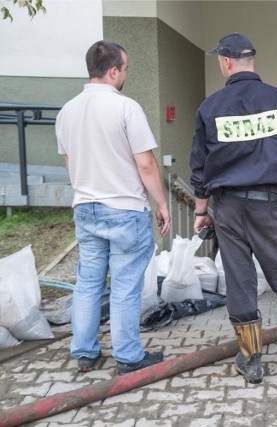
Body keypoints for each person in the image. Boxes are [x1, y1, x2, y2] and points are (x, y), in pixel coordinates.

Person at [189, 32, 277, 384]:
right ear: (251, 60)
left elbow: (200, 168)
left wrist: (201, 212)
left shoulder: (210, 107)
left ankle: (251, 360)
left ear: (226, 62)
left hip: (229, 210)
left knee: (240, 281)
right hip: (271, 207)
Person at [56, 40, 171, 375]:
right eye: (126, 68)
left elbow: (69, 163)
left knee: (88, 283)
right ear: (113, 71)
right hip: (124, 209)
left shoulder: (67, 111)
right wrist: (161, 204)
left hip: (85, 208)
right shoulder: (126, 108)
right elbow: (146, 165)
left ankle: (85, 353)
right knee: (124, 286)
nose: (125, 74)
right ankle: (128, 357)